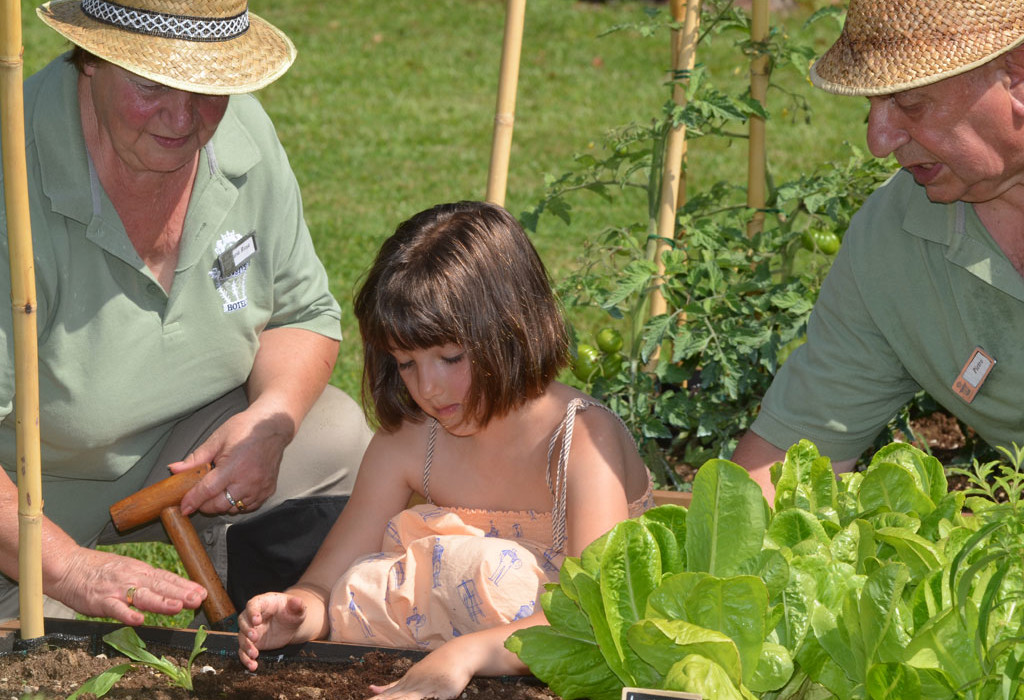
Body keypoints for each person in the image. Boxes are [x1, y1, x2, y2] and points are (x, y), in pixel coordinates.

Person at [0, 0, 373, 625]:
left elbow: (300, 313)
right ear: (92, 59)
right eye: (151, 86)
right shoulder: (12, 172)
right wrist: (69, 569)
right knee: (45, 658)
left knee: (331, 439)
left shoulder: (241, 132)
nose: (183, 118)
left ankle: (267, 641)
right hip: (25, 486)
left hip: (188, 445)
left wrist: (271, 424)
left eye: (206, 89)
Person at [237, 201, 654, 700]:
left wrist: (462, 655)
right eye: (406, 363)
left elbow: (596, 615)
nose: (428, 388)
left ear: (512, 330)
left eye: (449, 357)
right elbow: (325, 581)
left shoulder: (581, 441)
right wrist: (300, 612)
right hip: (409, 673)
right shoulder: (412, 438)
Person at [731, 0, 1024, 498]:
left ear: (1016, 77)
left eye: (911, 104)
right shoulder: (894, 236)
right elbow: (787, 468)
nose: (878, 140)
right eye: (871, 106)